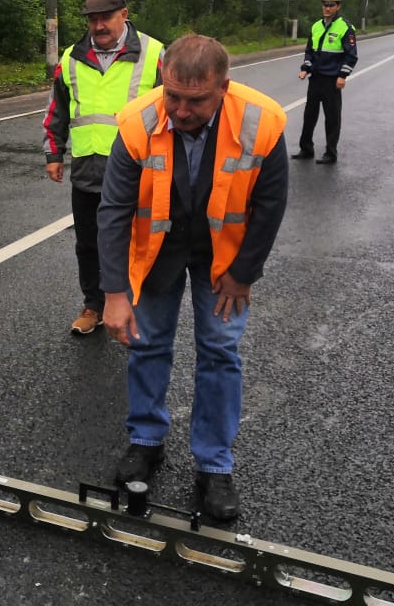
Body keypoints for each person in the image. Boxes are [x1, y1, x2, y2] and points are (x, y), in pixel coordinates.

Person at [97, 34, 288, 521]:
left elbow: (270, 206)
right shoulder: (138, 122)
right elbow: (114, 209)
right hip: (159, 251)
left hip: (222, 258)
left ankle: (214, 464)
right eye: (173, 97)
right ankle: (145, 439)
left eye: (195, 101)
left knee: (220, 350)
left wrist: (244, 273)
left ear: (224, 87)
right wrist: (114, 293)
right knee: (148, 343)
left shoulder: (261, 121)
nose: (180, 111)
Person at [43, 0, 164, 335]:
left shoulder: (154, 54)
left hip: (138, 172)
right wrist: (54, 152)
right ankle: (93, 306)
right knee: (88, 243)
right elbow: (58, 109)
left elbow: (174, 110)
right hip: (88, 169)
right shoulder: (71, 58)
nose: (98, 26)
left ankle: (137, 305)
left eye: (105, 18)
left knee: (139, 242)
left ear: (124, 14)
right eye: (93, 20)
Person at [292, 0, 358, 165]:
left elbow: (351, 55)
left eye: (331, 5)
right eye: (324, 4)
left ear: (338, 7)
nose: (327, 8)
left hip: (332, 80)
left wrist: (343, 75)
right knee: (309, 115)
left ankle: (330, 153)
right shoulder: (316, 26)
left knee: (332, 118)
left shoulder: (345, 27)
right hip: (316, 79)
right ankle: (306, 149)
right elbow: (310, 52)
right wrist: (306, 68)